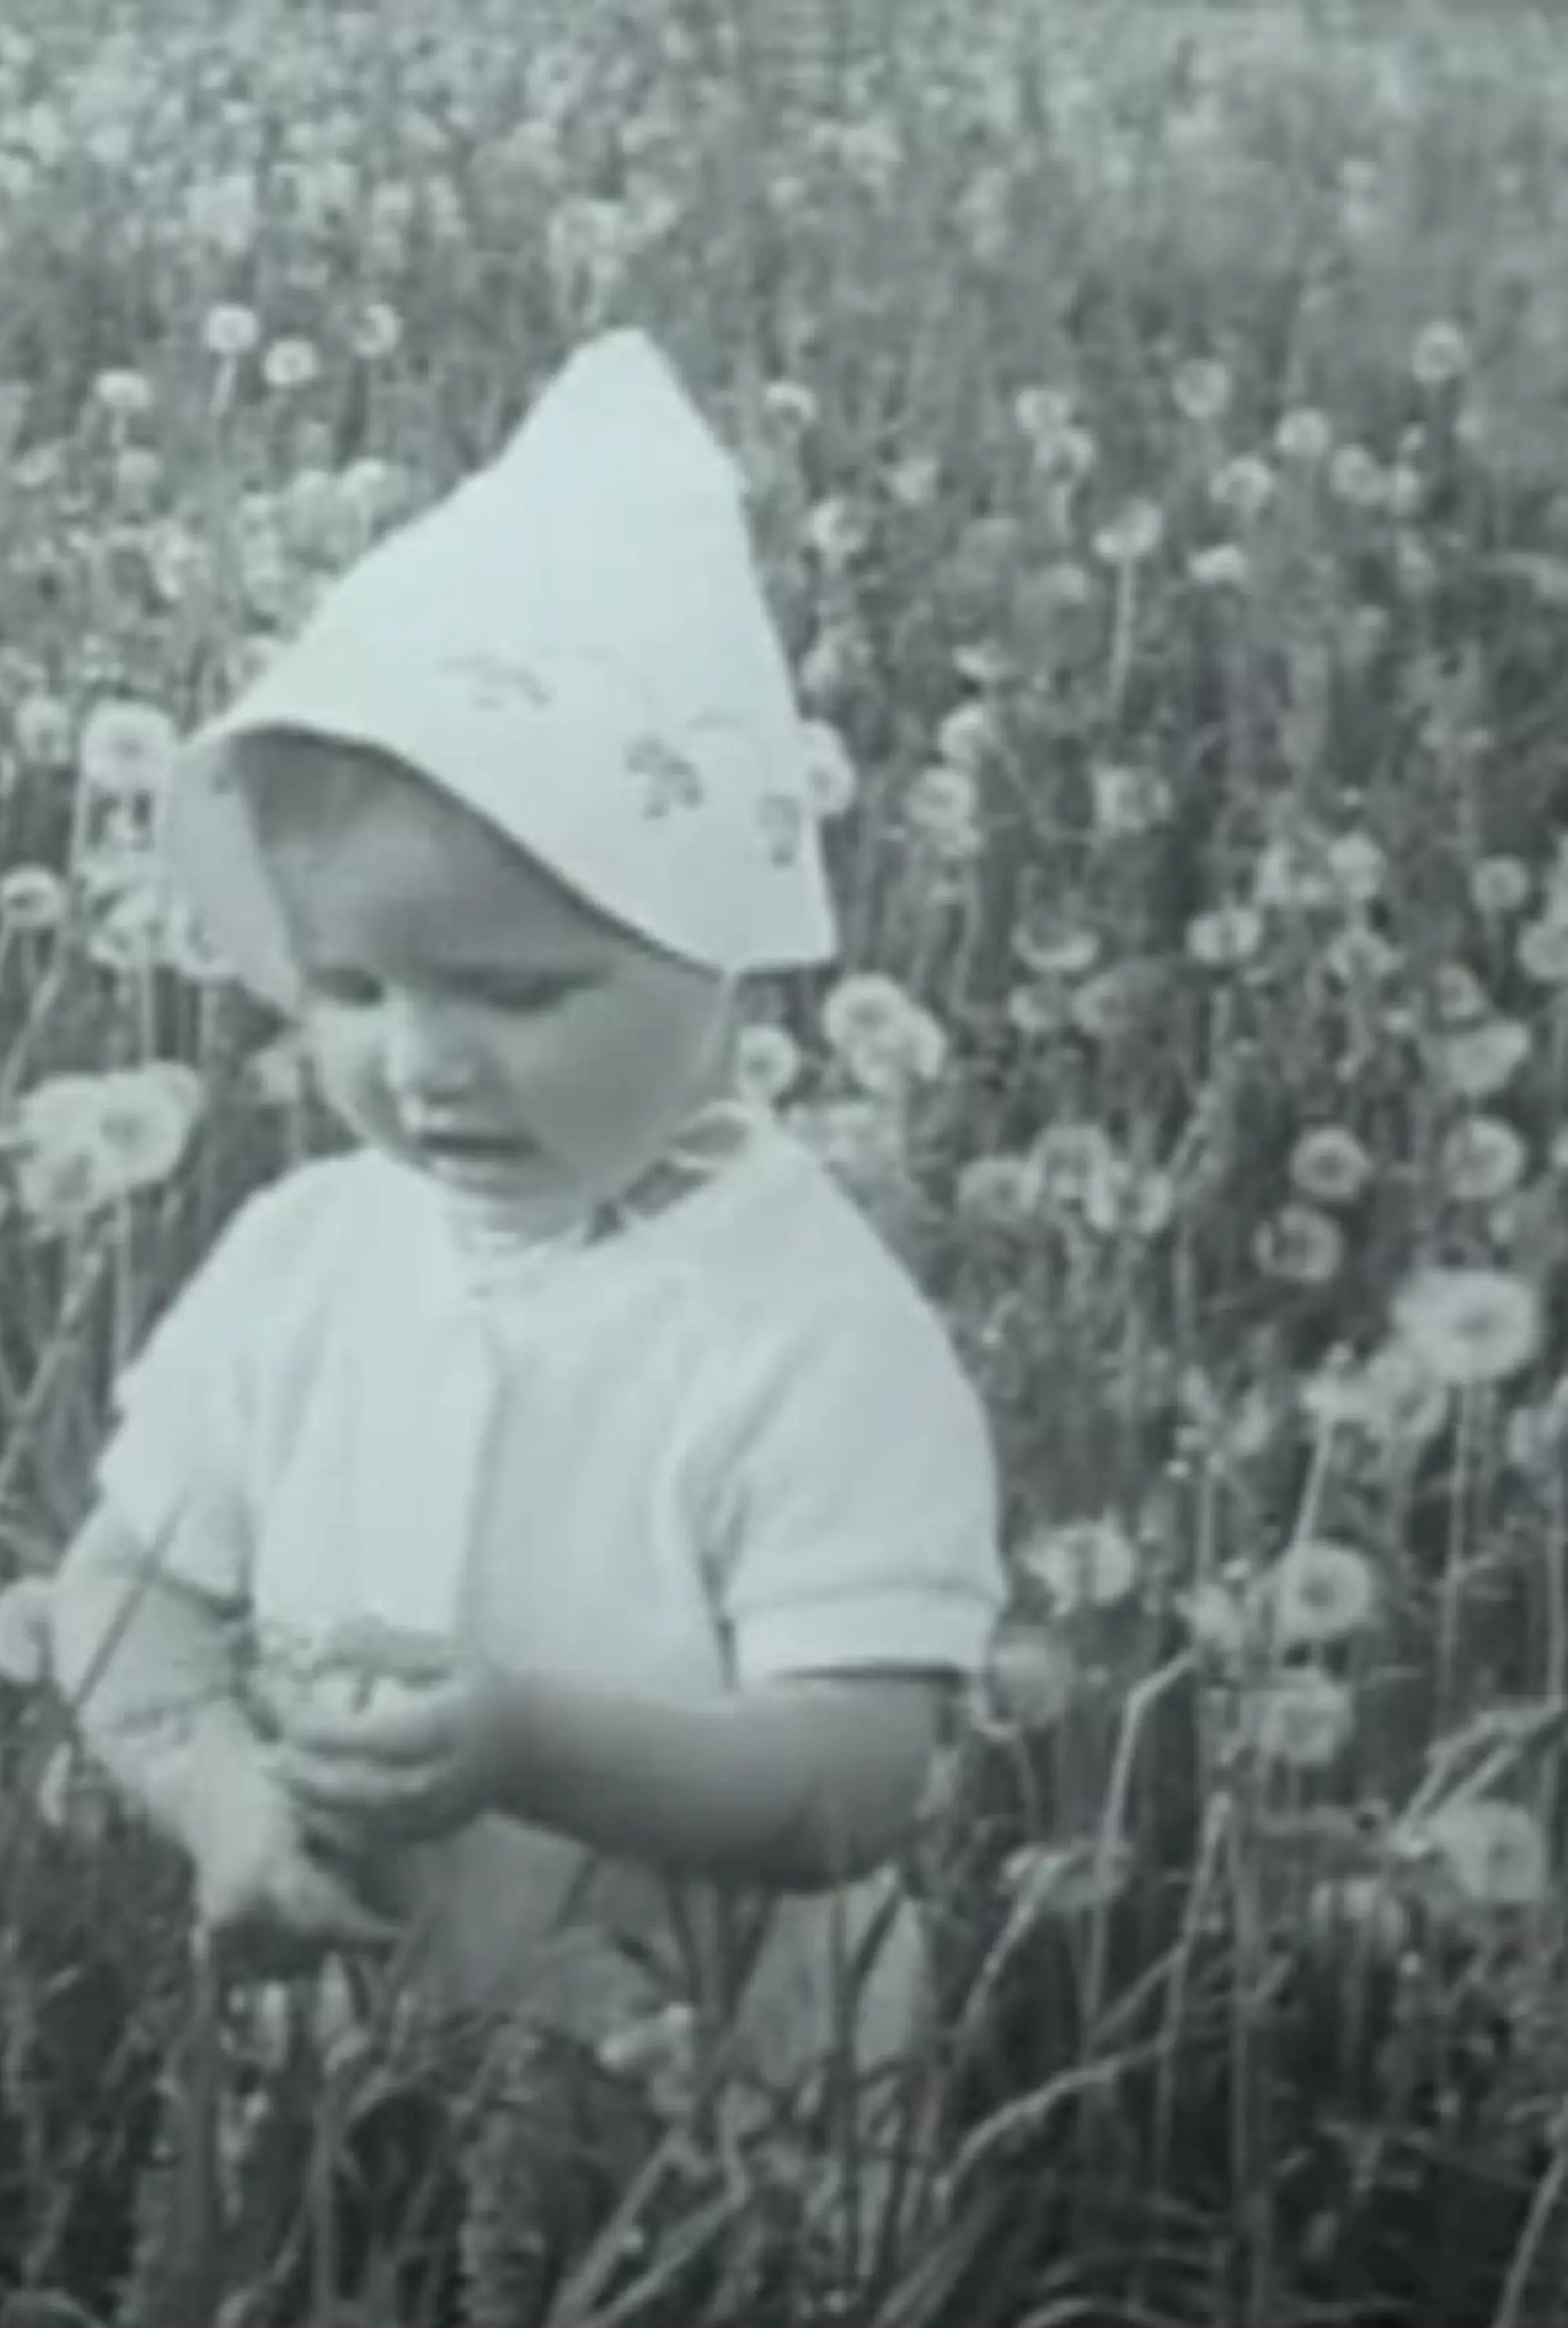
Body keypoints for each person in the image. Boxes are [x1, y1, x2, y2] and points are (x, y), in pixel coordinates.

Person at [49, 326, 1006, 2145]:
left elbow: (853, 1784)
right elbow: (124, 1603)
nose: (418, 1069)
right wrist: (229, 1809)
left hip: (726, 2100)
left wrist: (523, 1751)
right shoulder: (305, 1254)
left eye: (512, 991)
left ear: (713, 957)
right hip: (355, 2071)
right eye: (344, 986)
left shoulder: (806, 1333)